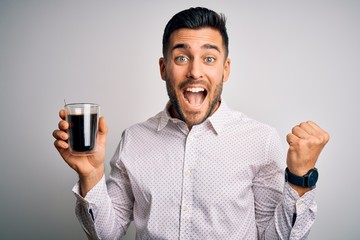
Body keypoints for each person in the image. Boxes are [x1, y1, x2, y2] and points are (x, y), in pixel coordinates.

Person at [53, 7, 329, 239]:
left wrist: (300, 179)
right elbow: (106, 233)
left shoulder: (260, 139)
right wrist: (90, 176)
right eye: (182, 58)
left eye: (209, 58)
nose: (195, 71)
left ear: (226, 69)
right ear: (164, 69)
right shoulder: (134, 139)